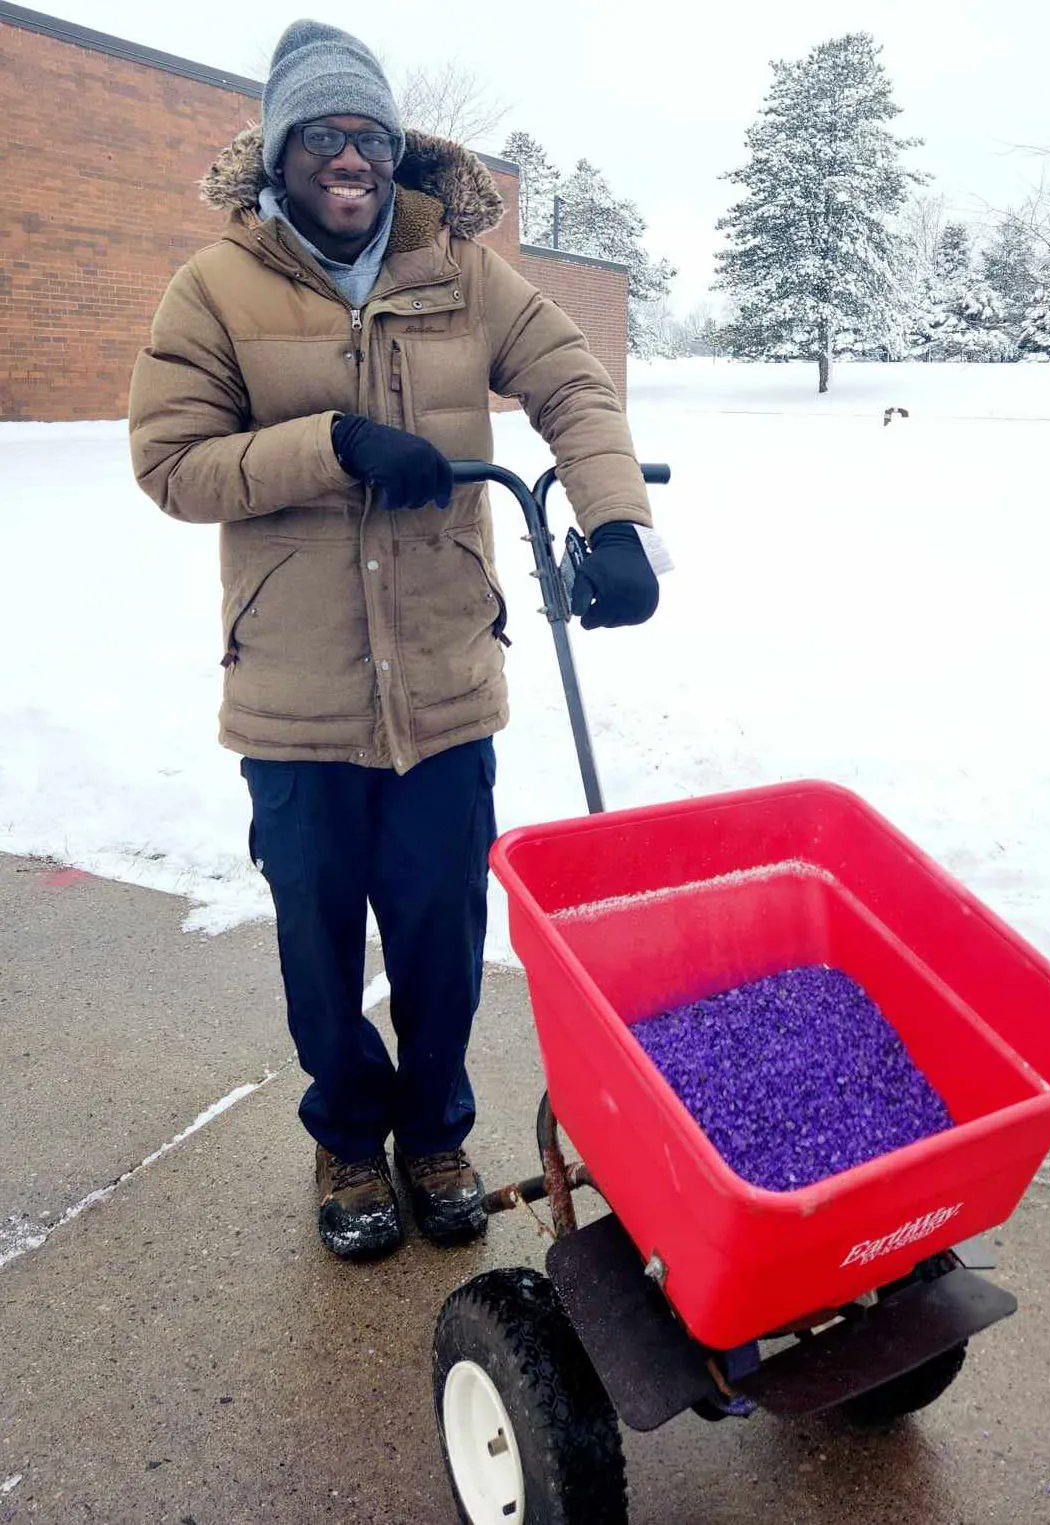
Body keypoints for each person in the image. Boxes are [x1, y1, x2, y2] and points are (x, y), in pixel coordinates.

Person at [128, 19, 660, 1259]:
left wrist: (617, 521)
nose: (350, 156)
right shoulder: (216, 284)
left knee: (439, 931)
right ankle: (348, 1141)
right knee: (318, 938)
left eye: (368, 133)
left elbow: (573, 380)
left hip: (442, 677)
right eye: (323, 135)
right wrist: (334, 444)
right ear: (280, 153)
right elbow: (170, 462)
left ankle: (434, 1130)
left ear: (395, 149)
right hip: (296, 691)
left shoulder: (461, 272)